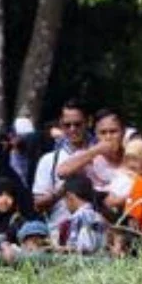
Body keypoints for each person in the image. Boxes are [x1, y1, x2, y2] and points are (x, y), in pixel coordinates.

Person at [32, 100, 93, 233]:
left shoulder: (99, 156)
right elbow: (38, 205)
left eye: (77, 124)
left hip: (95, 234)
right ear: (60, 125)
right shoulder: (49, 160)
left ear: (88, 122)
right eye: (67, 125)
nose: (72, 129)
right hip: (59, 235)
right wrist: (62, 190)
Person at [55, 108, 126, 196]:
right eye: (103, 133)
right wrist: (95, 151)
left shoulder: (131, 155)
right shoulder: (89, 156)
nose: (108, 137)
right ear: (96, 133)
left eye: (113, 131)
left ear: (123, 132)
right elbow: (61, 172)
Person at [60, 173, 105, 254]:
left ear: (69, 196)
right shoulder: (99, 217)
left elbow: (73, 247)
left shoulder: (77, 217)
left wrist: (57, 248)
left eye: (64, 200)